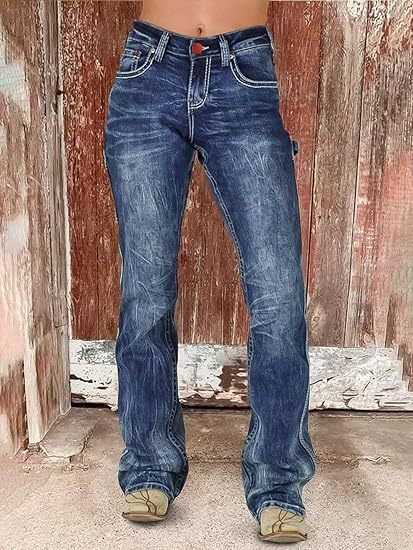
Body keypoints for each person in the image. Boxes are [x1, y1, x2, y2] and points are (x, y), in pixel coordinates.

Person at [103, 0, 317, 543]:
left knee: (278, 295)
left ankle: (278, 482)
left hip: (243, 76)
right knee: (146, 295)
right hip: (148, 72)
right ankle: (149, 466)